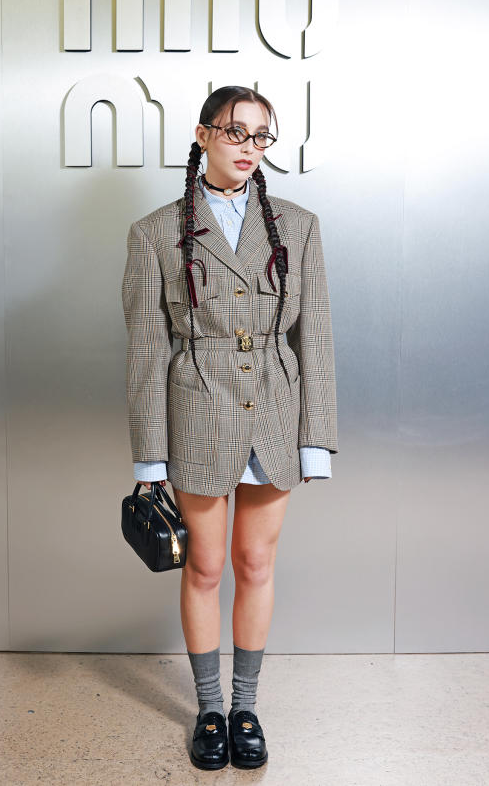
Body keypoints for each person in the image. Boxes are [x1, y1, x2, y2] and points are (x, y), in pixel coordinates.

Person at [121, 85, 338, 769]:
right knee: (208, 565)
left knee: (255, 562)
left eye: (260, 136)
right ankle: (209, 708)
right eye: (234, 132)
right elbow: (147, 349)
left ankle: (246, 705)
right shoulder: (156, 232)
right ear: (203, 135)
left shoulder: (298, 225)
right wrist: (148, 458)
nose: (248, 146)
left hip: (275, 411)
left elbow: (317, 337)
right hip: (199, 411)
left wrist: (316, 436)